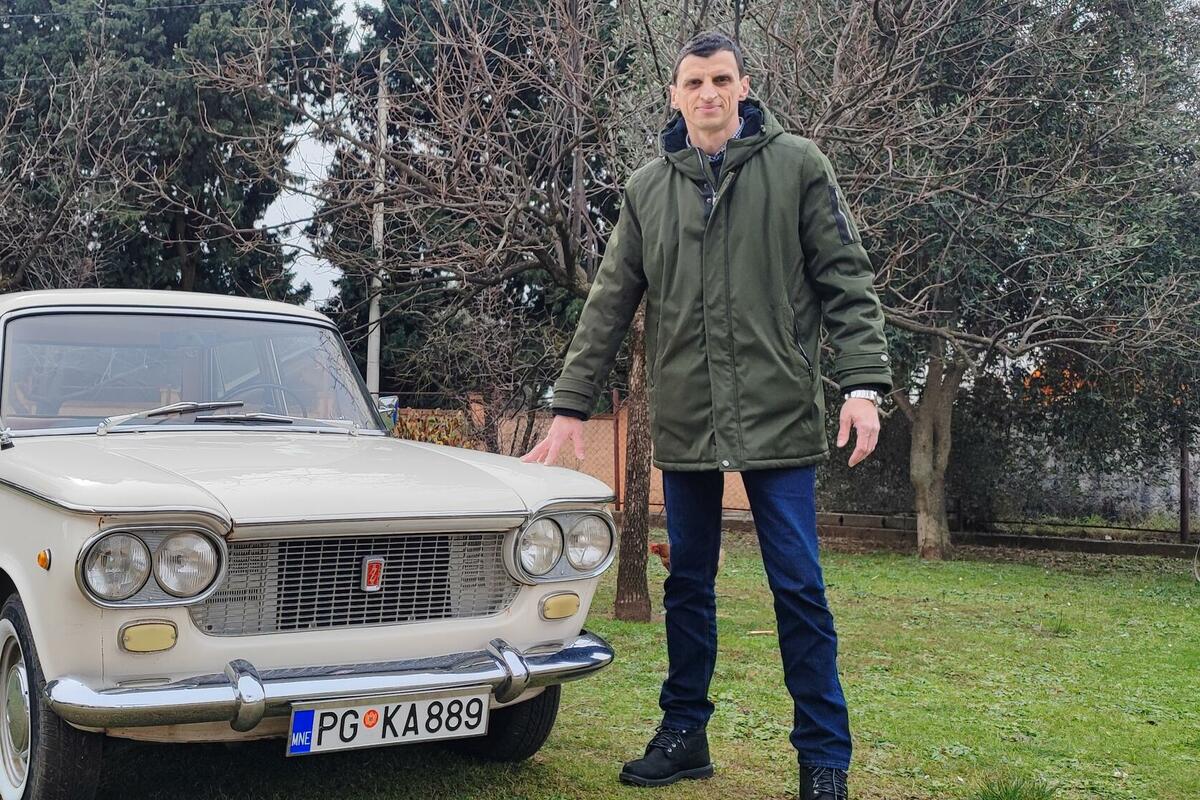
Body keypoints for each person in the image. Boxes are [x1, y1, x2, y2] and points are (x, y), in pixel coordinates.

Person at [522, 31, 892, 800]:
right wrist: (569, 408)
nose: (709, 93)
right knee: (688, 585)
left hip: (779, 417)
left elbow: (847, 282)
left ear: (743, 87)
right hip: (688, 420)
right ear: (675, 95)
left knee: (798, 588)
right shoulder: (647, 189)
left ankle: (824, 758)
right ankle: (684, 734)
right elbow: (608, 303)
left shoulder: (799, 167)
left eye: (722, 79)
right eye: (694, 82)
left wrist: (863, 385)